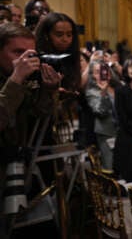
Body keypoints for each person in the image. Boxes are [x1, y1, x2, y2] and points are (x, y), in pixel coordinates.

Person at [0, 23, 61, 237]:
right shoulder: (15, 79)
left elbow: (41, 119)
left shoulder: (25, 80)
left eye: (30, 53)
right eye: (17, 52)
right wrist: (16, 79)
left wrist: (50, 91)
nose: (24, 59)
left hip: (19, 168)